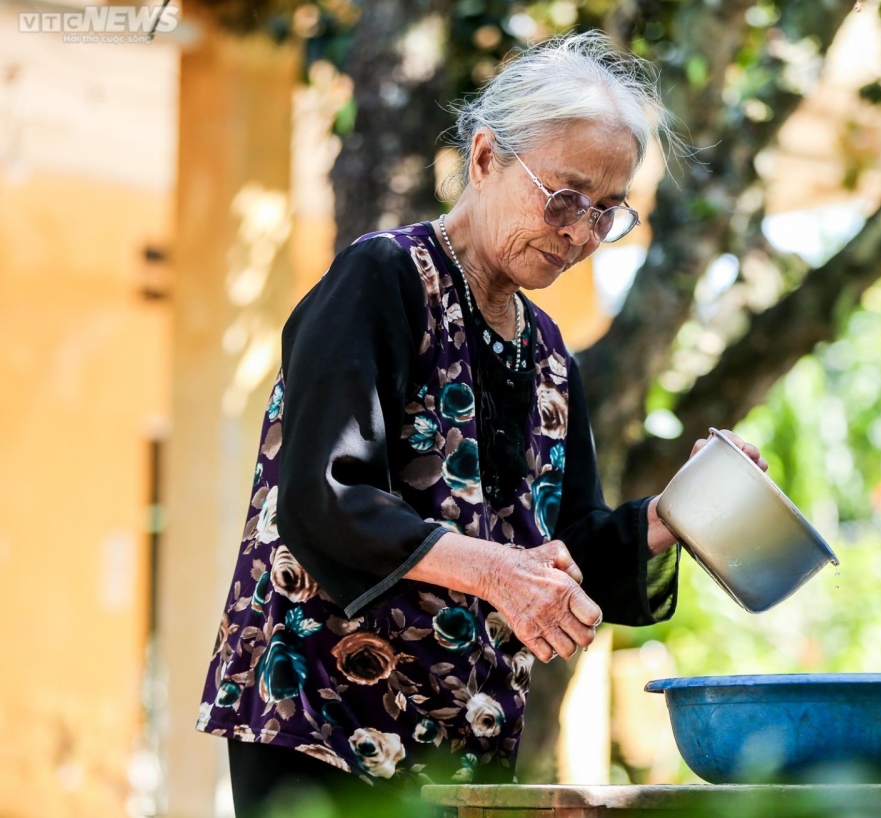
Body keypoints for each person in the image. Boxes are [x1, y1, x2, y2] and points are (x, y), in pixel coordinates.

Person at [195, 31, 769, 815]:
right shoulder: (383, 279)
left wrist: (672, 518)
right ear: (487, 158)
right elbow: (323, 495)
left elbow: (564, 555)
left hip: (458, 742)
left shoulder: (548, 355)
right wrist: (494, 571)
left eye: (607, 213)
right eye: (564, 197)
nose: (579, 233)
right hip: (323, 720)